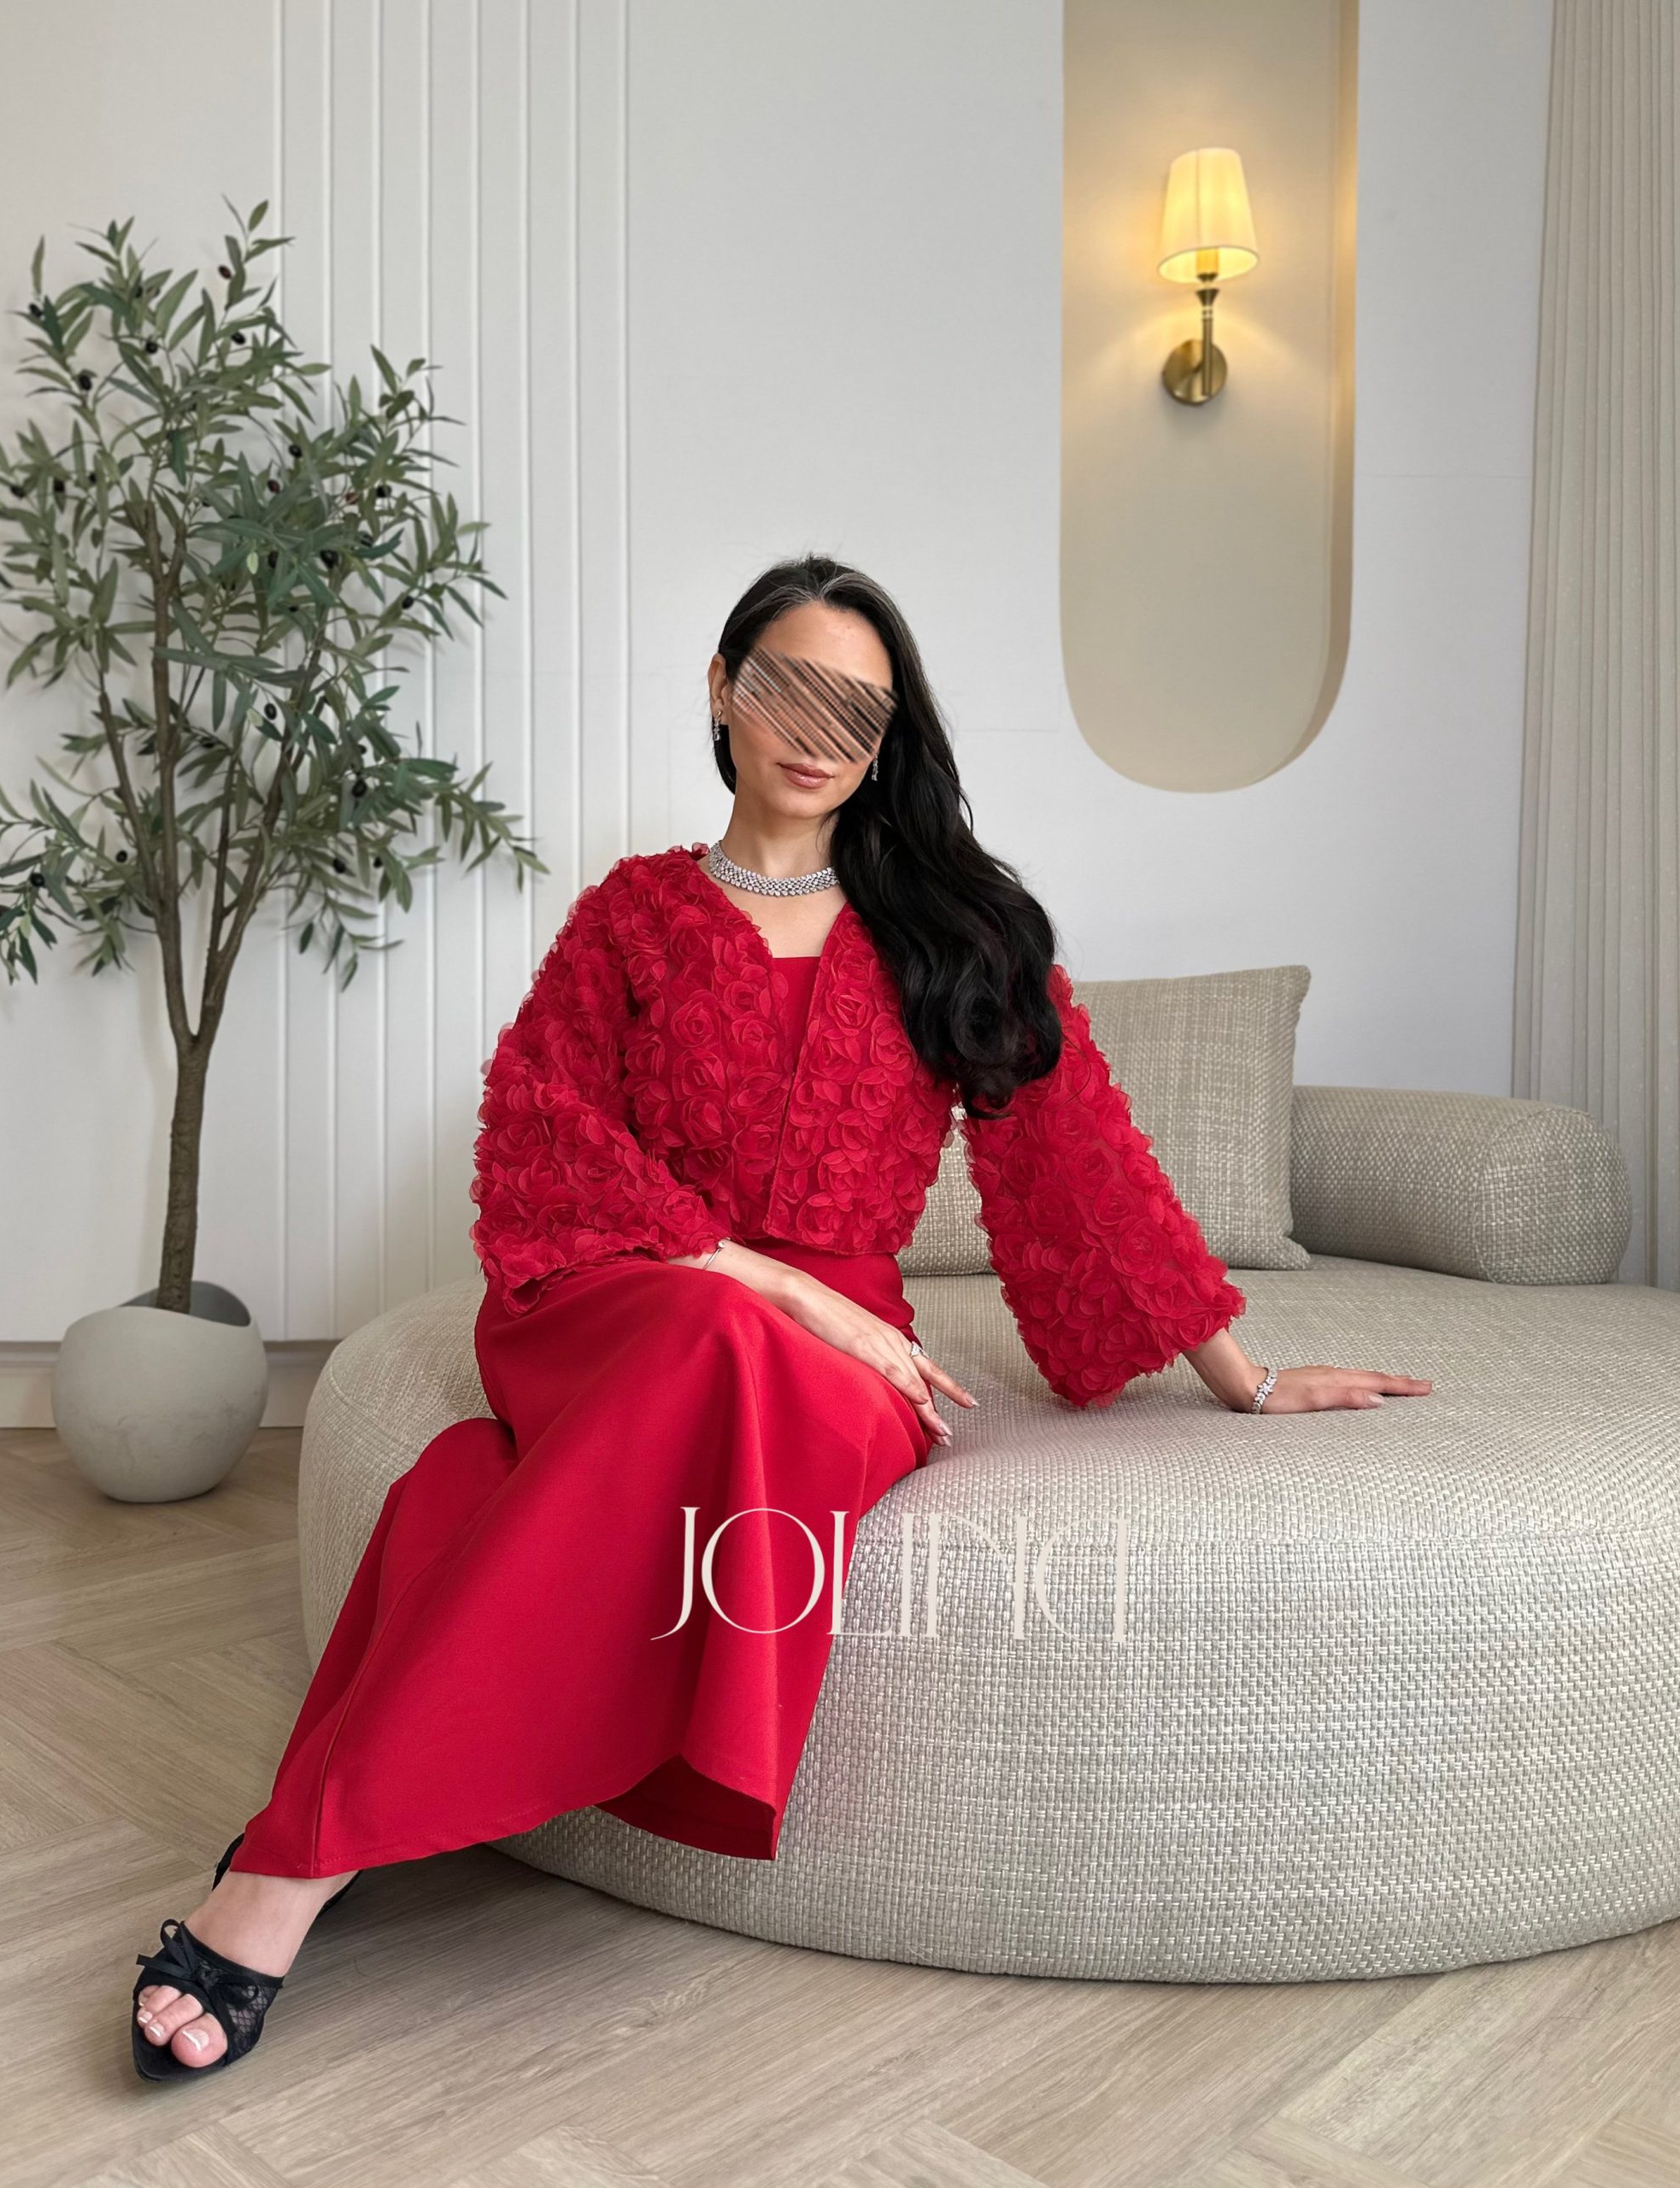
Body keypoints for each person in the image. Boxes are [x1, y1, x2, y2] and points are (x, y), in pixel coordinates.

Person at [126, 553, 1432, 2079]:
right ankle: (297, 1874)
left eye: (859, 711)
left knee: (467, 1487)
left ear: (889, 739)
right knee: (716, 1331)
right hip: (623, 1295)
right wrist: (774, 1283)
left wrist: (1243, 1374)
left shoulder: (956, 932)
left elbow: (1084, 1165)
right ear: (721, 693)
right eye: (790, 691)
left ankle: (291, 1857)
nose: (820, 735)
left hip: (837, 1366)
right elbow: (539, 1128)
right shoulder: (632, 916)